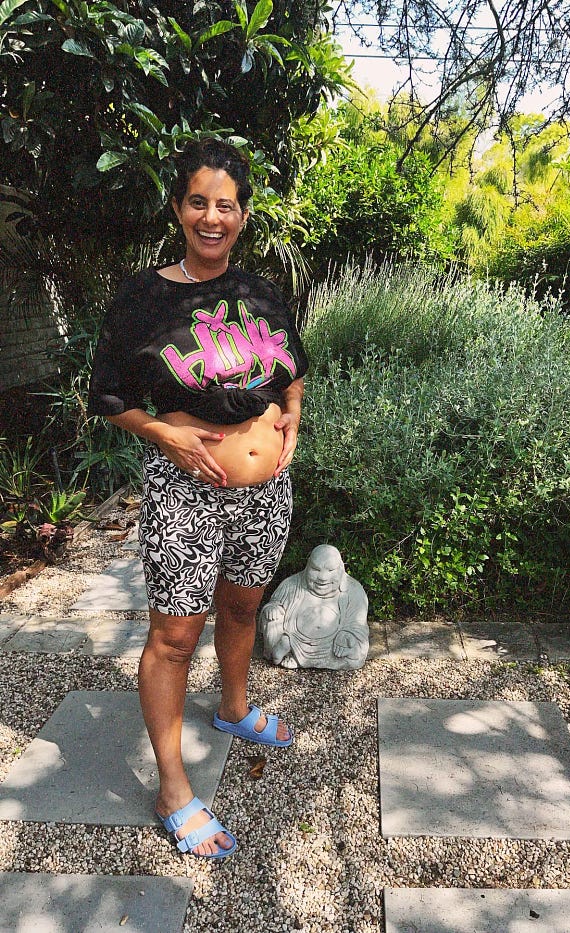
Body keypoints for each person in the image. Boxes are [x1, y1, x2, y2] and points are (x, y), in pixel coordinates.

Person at [87, 139, 308, 859]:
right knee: (175, 638)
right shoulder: (144, 297)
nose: (212, 217)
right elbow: (107, 395)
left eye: (227, 205)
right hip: (186, 490)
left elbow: (294, 367)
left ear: (242, 215)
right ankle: (173, 788)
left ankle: (234, 708)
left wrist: (292, 415)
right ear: (179, 209)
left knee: (243, 607)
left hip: (265, 492)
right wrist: (164, 434)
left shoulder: (263, 293)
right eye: (198, 203)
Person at [261, 545, 369, 670]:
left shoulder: (354, 590)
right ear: (308, 567)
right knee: (271, 618)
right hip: (295, 636)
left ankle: (292, 651)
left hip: (333, 644)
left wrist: (347, 635)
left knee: (354, 651)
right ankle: (286, 646)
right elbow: (275, 604)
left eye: (330, 571)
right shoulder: (291, 584)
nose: (322, 577)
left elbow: (358, 624)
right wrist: (273, 608)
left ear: (340, 569)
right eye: (316, 569)